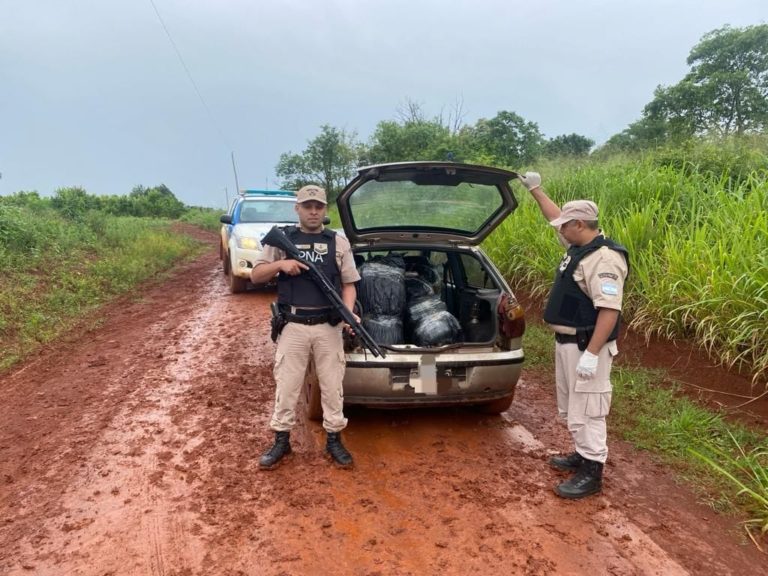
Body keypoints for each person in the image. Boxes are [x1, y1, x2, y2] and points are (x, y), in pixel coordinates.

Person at [518, 171, 629, 499]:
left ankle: (592, 471)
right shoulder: (580, 244)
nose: (559, 228)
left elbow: (610, 310)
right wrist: (536, 190)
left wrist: (593, 355)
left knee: (590, 409)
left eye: (565, 225)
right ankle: (582, 454)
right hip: (568, 344)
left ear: (579, 225)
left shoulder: (604, 259)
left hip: (586, 347)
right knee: (572, 407)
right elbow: (555, 216)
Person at [251, 184, 361, 470]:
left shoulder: (338, 241)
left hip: (328, 325)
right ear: (297, 208)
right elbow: (256, 275)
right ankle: (281, 440)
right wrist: (281, 264)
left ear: (325, 210)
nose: (313, 211)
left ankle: (334, 439)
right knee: (287, 386)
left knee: (332, 386)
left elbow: (349, 285)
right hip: (294, 326)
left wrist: (349, 314)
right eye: (307, 206)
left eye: (318, 206)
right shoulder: (281, 239)